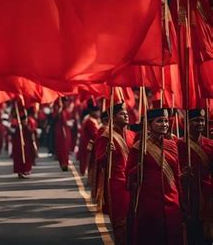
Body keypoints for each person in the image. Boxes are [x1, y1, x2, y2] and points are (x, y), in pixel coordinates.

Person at [126, 108, 184, 245]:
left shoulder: (172, 145)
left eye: (165, 121)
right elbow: (128, 176)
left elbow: (176, 174)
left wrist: (181, 199)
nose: (164, 124)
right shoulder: (139, 147)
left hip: (172, 200)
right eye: (160, 121)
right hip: (149, 202)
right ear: (150, 124)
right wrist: (138, 168)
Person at [95, 103, 135, 244]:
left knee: (134, 221)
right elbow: (99, 161)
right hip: (117, 183)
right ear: (112, 117)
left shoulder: (132, 135)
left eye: (126, 113)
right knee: (121, 222)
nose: (125, 115)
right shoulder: (107, 137)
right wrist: (106, 153)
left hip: (134, 182)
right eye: (121, 114)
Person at [177, 108, 213, 244]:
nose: (201, 123)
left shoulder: (210, 145)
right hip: (187, 195)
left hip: (207, 196)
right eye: (196, 120)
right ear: (187, 123)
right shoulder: (178, 144)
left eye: (202, 120)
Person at [12, 110, 37, 179]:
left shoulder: (26, 126)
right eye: (24, 120)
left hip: (26, 144)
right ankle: (20, 171)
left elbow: (30, 132)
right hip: (18, 145)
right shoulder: (18, 127)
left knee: (27, 157)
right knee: (19, 158)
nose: (25, 121)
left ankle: (25, 170)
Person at [79, 105, 100, 176]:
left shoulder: (91, 119)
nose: (98, 113)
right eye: (97, 112)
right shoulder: (90, 121)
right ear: (92, 112)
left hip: (88, 141)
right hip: (88, 142)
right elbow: (94, 134)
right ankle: (85, 171)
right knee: (87, 157)